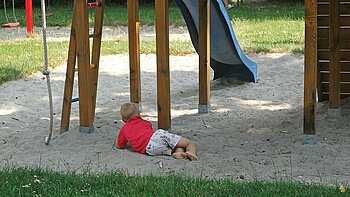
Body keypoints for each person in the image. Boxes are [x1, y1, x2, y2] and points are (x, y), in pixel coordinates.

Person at [116, 102, 198, 161]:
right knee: (188, 143)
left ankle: (178, 153)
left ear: (123, 120)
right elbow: (149, 133)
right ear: (139, 114)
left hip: (149, 149)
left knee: (172, 147)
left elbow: (120, 145)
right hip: (156, 136)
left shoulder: (124, 129)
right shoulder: (145, 122)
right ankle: (191, 152)